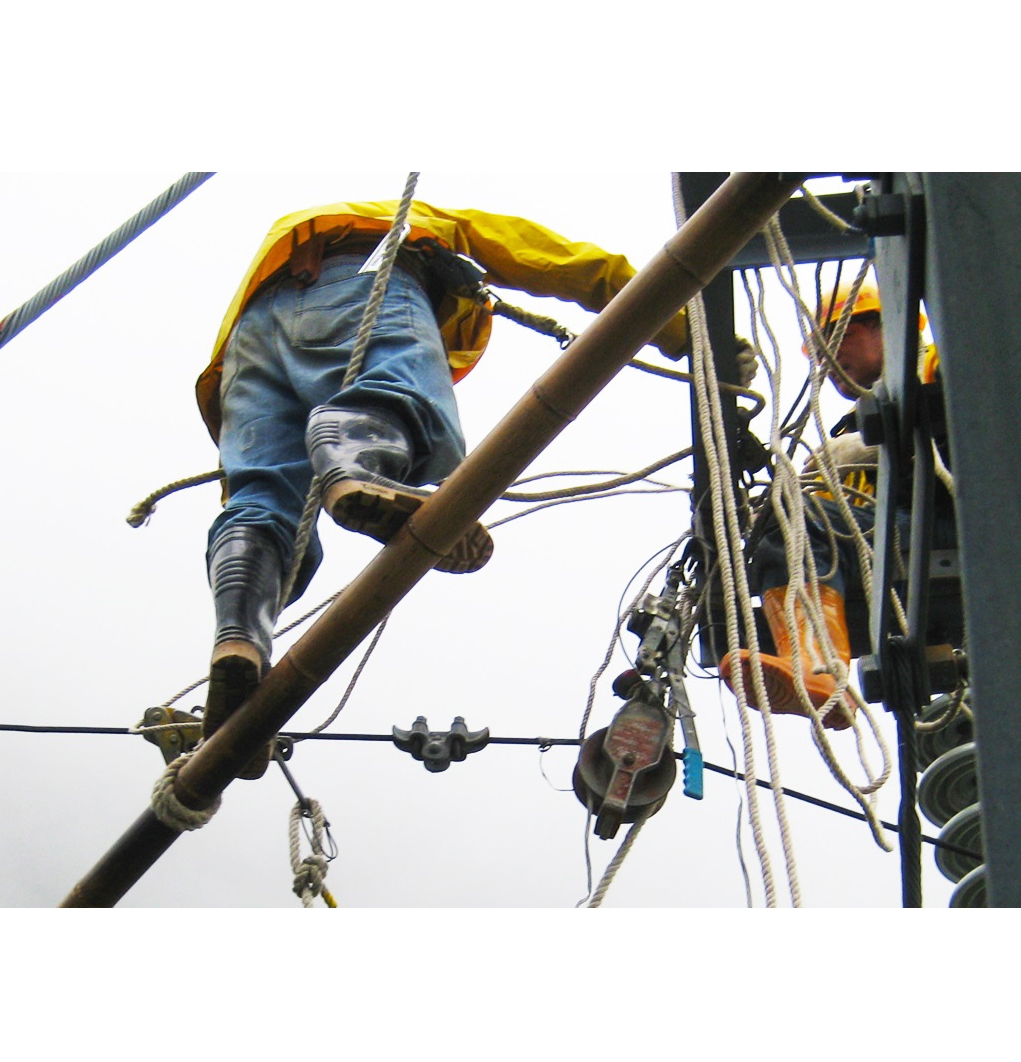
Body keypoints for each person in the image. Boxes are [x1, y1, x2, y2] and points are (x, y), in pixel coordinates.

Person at [197, 199, 692, 776]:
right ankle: (354, 458)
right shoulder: (414, 221)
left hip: (246, 345)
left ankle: (239, 635)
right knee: (398, 393)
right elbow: (549, 258)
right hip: (359, 276)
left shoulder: (282, 249)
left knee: (261, 504)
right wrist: (683, 323)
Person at [719, 276, 939, 729]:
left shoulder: (936, 367)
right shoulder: (842, 434)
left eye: (841, 336)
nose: (827, 358)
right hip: (885, 543)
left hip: (951, 521)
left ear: (890, 326)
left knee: (796, 516)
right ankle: (817, 671)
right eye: (818, 352)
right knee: (779, 525)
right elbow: (808, 529)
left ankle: (816, 666)